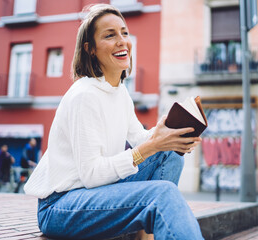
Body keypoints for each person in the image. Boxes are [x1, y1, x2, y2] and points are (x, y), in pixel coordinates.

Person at [24, 4, 204, 240]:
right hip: (60, 207)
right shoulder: (84, 96)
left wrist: (166, 135)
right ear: (90, 49)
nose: (122, 41)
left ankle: (145, 235)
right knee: (162, 194)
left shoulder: (119, 93)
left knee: (169, 155)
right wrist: (152, 145)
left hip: (94, 194)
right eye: (110, 35)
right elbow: (91, 174)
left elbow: (140, 139)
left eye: (124, 33)